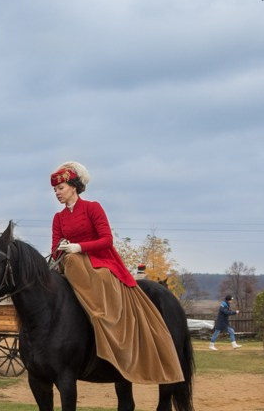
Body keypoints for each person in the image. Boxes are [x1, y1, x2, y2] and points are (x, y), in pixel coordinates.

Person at [50, 161, 184, 384]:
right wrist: (61, 248)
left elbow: (106, 240)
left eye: (60, 188)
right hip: (72, 264)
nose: (57, 193)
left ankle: (102, 316)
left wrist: (79, 247)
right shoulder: (58, 218)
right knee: (66, 267)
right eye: (55, 190)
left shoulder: (93, 208)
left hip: (101, 261)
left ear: (73, 187)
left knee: (78, 262)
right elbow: (55, 251)